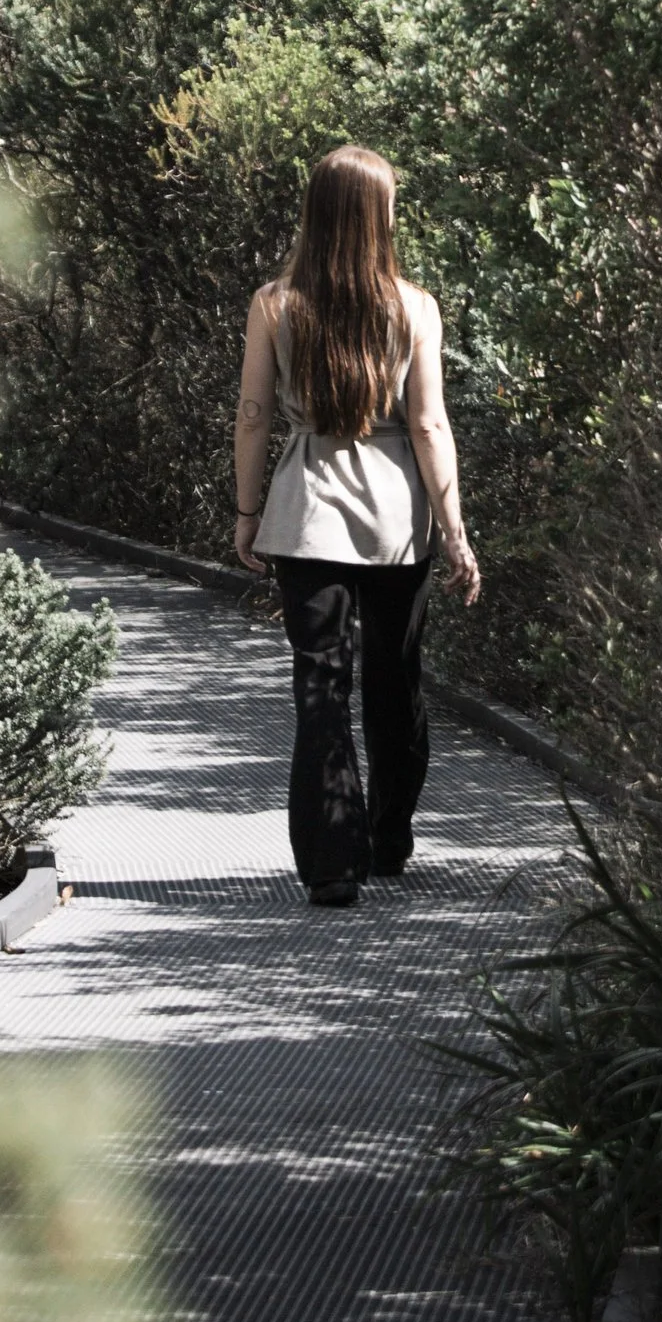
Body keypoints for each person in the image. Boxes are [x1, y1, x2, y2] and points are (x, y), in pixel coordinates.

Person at [231, 145, 481, 906]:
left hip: (308, 514)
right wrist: (457, 531)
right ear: (381, 216)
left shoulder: (275, 304)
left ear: (316, 210)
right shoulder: (417, 307)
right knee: (395, 681)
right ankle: (389, 837)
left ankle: (332, 864)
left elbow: (253, 416)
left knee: (321, 684)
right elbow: (430, 425)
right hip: (398, 517)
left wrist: (246, 514)